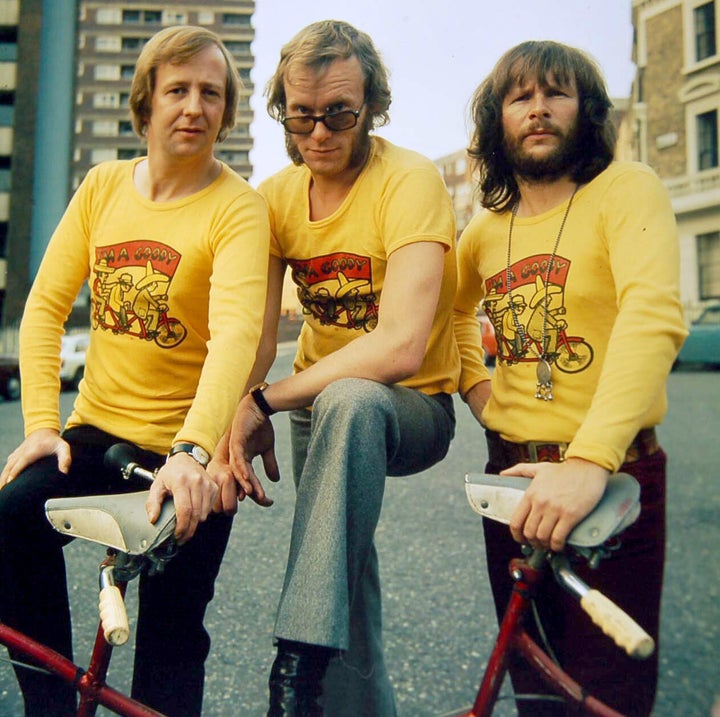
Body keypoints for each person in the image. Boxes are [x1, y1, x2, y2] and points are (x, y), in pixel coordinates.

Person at [0, 25, 270, 717]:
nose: (193, 106)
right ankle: (50, 704)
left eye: (211, 93)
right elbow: (44, 309)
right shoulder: (102, 187)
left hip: (186, 449)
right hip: (95, 435)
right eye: (177, 90)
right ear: (145, 103)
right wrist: (39, 425)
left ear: (226, 112)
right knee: (9, 517)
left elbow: (236, 333)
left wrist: (193, 449)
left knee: (175, 634)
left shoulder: (239, 207)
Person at [210, 19, 460, 717]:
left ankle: (291, 670)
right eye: (302, 115)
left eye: (340, 114)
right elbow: (257, 339)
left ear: (371, 107)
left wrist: (269, 399)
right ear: (283, 111)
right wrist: (234, 409)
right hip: (315, 404)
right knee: (341, 577)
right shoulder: (275, 197)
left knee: (352, 395)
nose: (318, 133)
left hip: (410, 408)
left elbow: (402, 345)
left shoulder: (408, 179)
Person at [453, 41, 687, 716]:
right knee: (533, 681)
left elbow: (653, 315)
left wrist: (587, 457)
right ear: (497, 118)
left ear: (586, 108)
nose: (538, 109)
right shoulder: (483, 230)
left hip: (611, 475)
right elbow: (447, 319)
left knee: (605, 694)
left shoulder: (626, 187)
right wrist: (479, 391)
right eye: (520, 97)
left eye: (557, 93)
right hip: (513, 480)